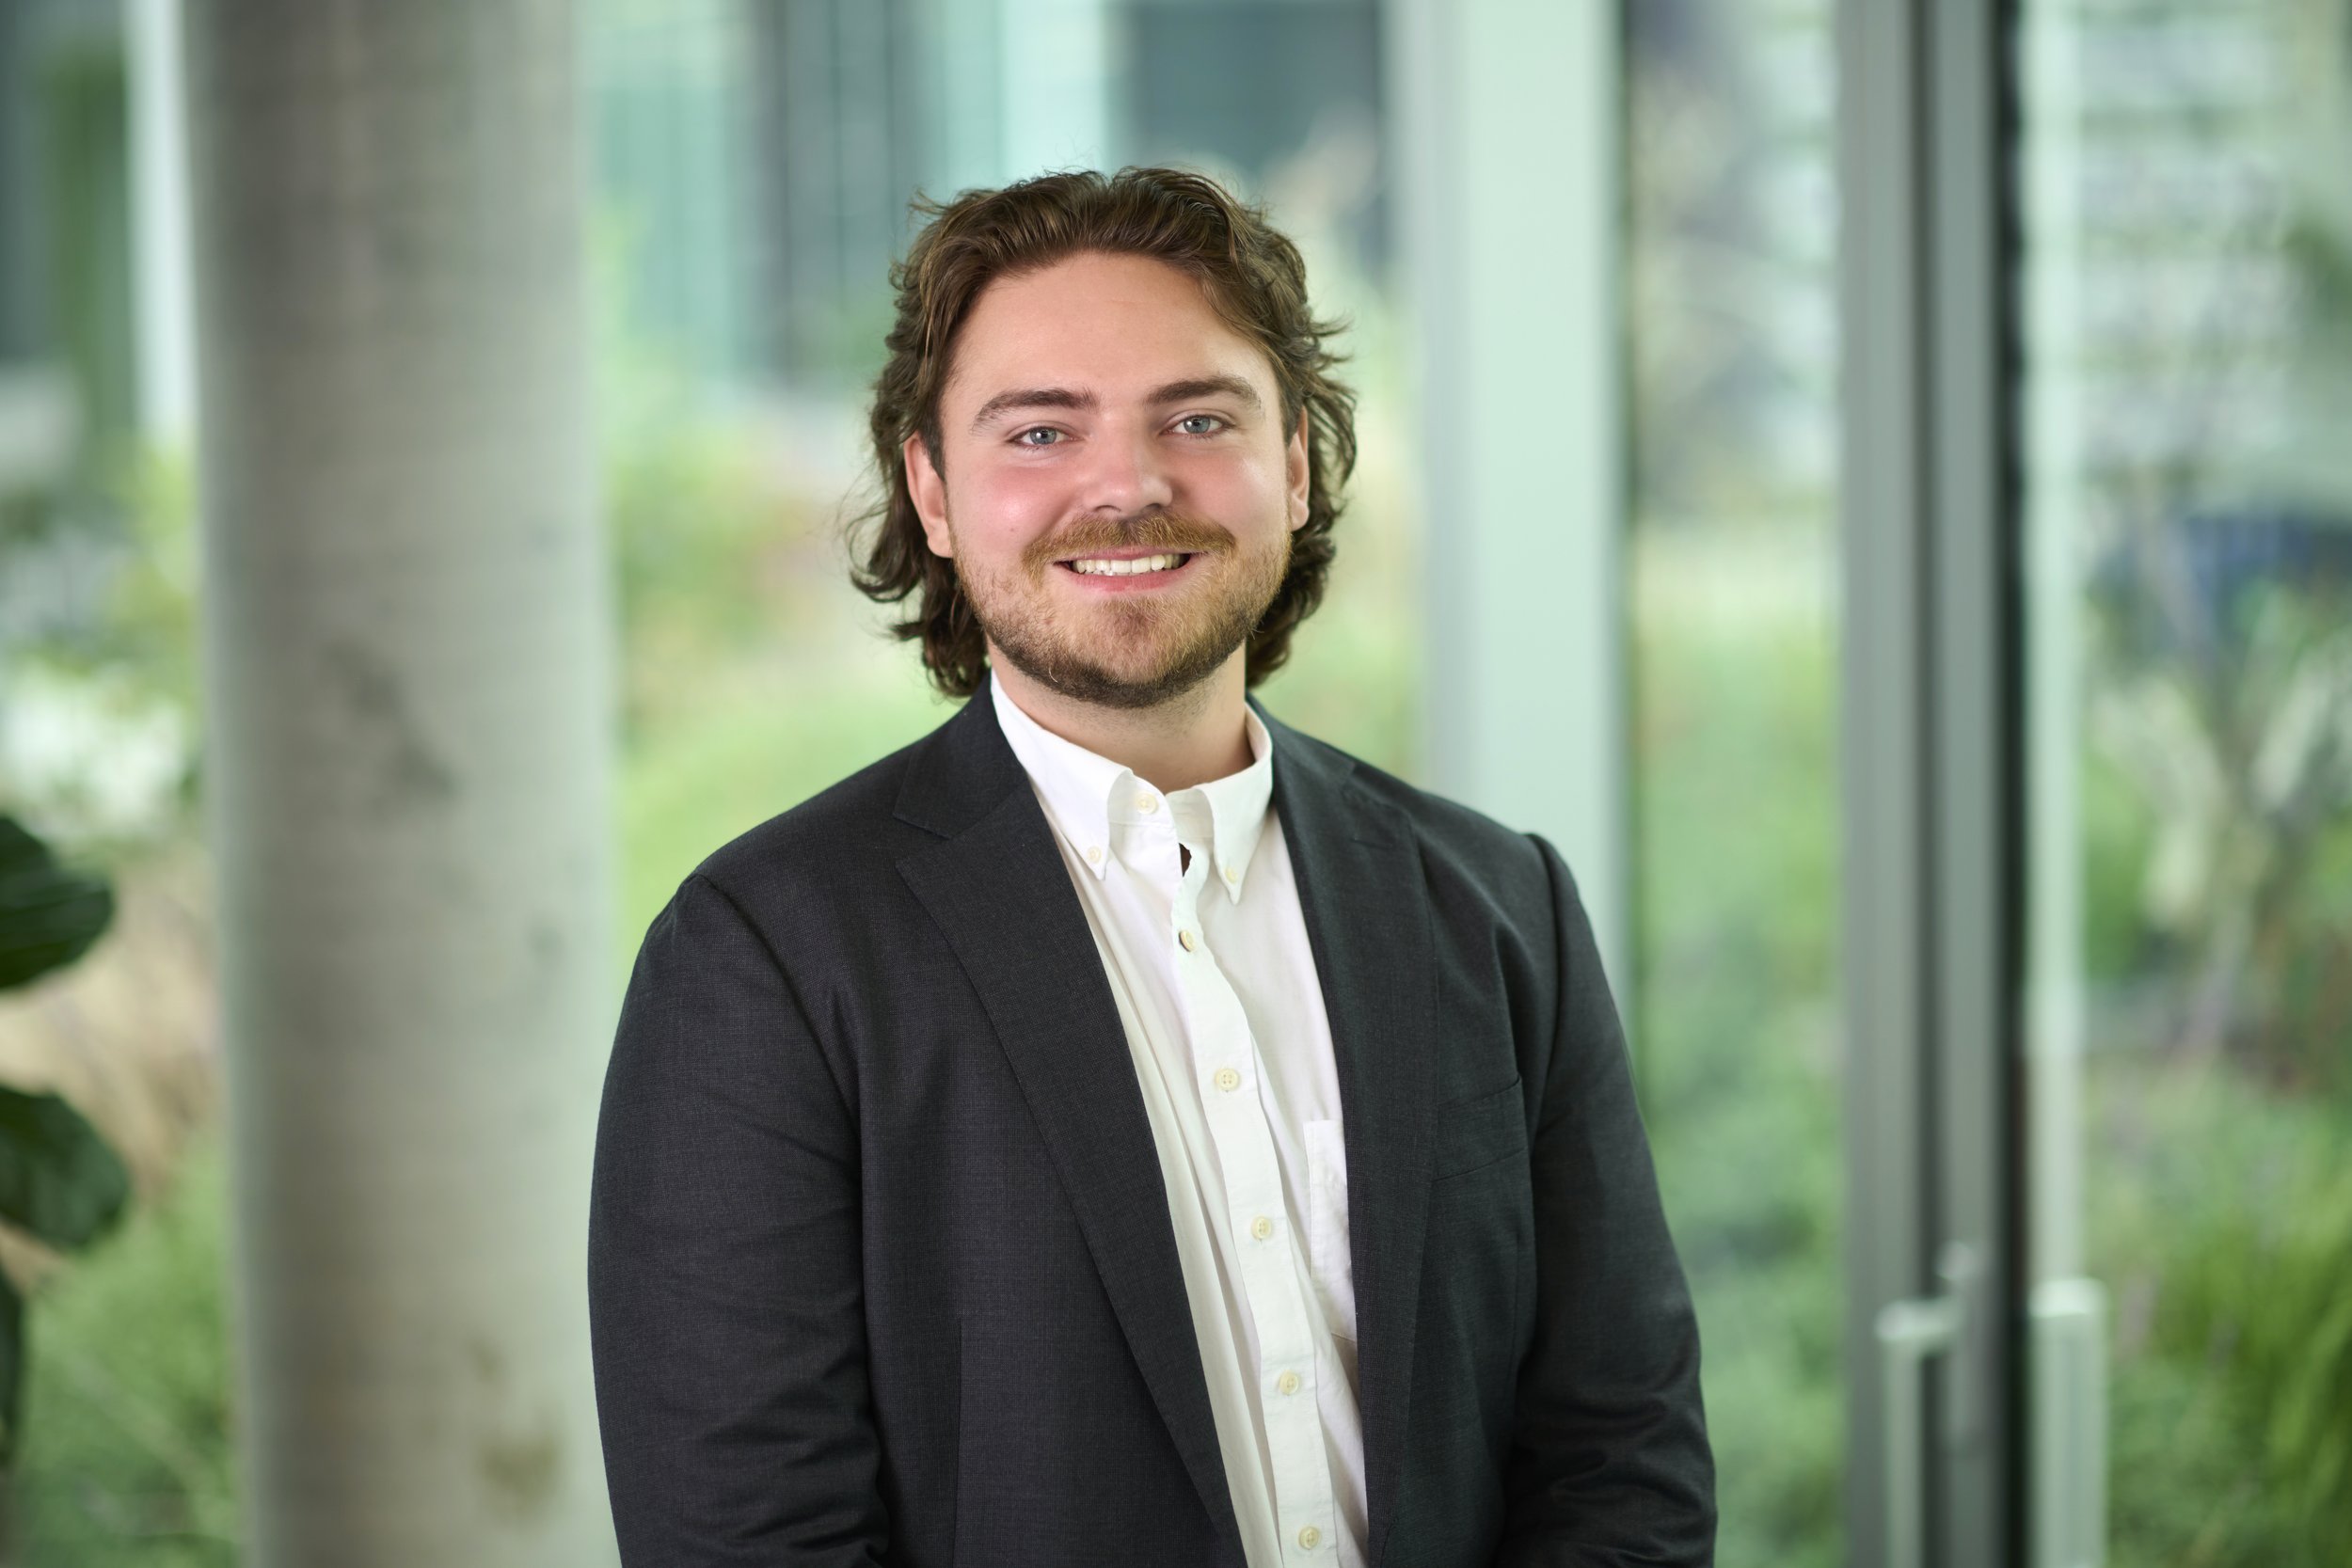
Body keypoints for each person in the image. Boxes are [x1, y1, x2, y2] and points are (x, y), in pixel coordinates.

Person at [587, 166, 1714, 1568]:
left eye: (1195, 417)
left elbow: (1624, 1453)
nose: (1125, 485)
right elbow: (749, 1538)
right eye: (1040, 431)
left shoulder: (1498, 905)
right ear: (930, 491)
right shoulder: (764, 957)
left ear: (1296, 465)